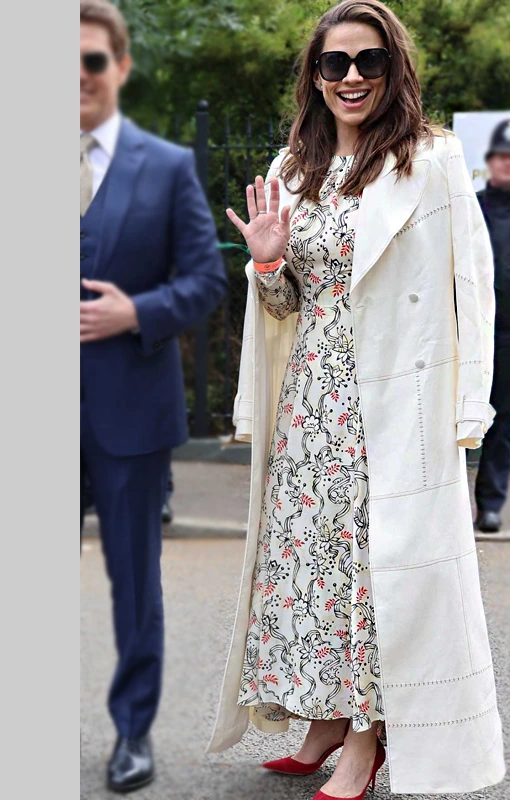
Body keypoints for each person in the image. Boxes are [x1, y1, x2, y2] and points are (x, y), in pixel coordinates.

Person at [206, 1, 505, 797]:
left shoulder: (431, 158)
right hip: (311, 404)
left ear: (393, 69)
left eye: (368, 62)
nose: (350, 78)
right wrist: (268, 266)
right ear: (313, 73)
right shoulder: (291, 167)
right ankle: (322, 722)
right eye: (334, 63)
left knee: (377, 574)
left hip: (394, 402)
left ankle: (368, 742)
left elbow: (472, 288)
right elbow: (282, 306)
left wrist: (468, 410)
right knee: (309, 568)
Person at [80, 0, 226, 792]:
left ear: (121, 68)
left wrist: (138, 312)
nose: (76, 76)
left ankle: (133, 733)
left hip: (128, 408)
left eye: (93, 60)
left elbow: (207, 281)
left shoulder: (165, 166)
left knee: (134, 581)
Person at [474, 118, 510, 533]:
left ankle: (490, 504)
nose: (509, 164)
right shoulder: (472, 206)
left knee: (504, 420)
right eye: (503, 156)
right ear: (490, 161)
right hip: (471, 330)